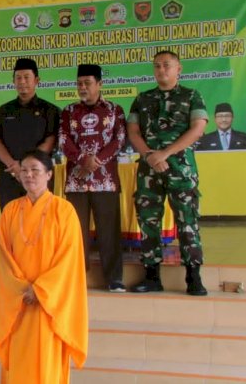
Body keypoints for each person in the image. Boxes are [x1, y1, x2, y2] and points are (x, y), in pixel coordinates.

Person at [0, 150, 88, 383]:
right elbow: (4, 257)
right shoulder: (10, 211)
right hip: (20, 302)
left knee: (47, 361)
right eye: (24, 170)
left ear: (49, 174)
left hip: (50, 304)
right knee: (19, 359)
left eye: (35, 170)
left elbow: (69, 259)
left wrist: (40, 289)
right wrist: (21, 288)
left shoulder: (64, 211)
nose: (29, 175)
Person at [127, 50, 208, 296]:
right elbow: (133, 132)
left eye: (166, 65)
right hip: (149, 170)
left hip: (181, 169)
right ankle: (151, 276)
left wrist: (165, 153)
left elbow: (197, 129)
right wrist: (151, 156)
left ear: (178, 69)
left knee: (187, 221)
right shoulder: (142, 99)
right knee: (148, 221)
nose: (161, 70)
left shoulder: (192, 96)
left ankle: (193, 276)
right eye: (157, 66)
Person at [59, 64, 127, 292]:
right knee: (76, 233)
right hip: (76, 182)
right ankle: (77, 276)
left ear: (99, 84)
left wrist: (96, 161)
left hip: (105, 181)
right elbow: (63, 139)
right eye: (79, 83)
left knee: (109, 232)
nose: (82, 87)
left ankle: (114, 279)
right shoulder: (68, 111)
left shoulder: (115, 110)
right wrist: (82, 159)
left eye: (87, 83)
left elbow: (119, 140)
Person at [0, 58, 60, 209]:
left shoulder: (49, 110)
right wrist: (14, 166)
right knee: (11, 220)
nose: (22, 82)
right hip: (10, 175)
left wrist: (24, 166)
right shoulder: (4, 110)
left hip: (38, 175)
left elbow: (50, 140)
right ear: (13, 81)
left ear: (37, 80)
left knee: (41, 220)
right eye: (18, 78)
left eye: (26, 77)